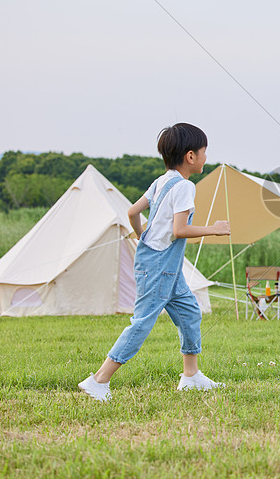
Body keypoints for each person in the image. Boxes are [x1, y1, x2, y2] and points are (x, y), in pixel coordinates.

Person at [78, 123, 230, 401]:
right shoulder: (184, 186)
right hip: (160, 265)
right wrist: (215, 228)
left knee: (189, 313)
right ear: (191, 156)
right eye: (204, 152)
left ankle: (191, 376)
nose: (206, 158)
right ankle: (98, 380)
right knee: (143, 322)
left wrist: (143, 239)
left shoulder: (161, 181)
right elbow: (179, 230)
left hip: (163, 263)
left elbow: (133, 211)